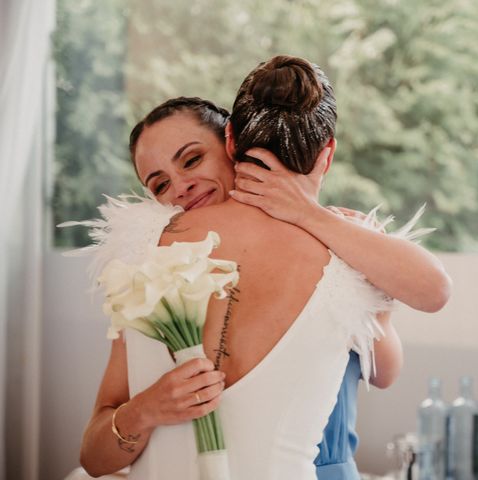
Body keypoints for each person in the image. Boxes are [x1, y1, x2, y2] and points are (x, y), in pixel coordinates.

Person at [77, 56, 451, 479]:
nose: (181, 186)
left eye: (192, 159)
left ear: (230, 143)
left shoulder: (343, 243)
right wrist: (142, 411)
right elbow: (93, 454)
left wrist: (340, 243)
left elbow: (389, 360)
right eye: (159, 184)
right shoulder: (148, 265)